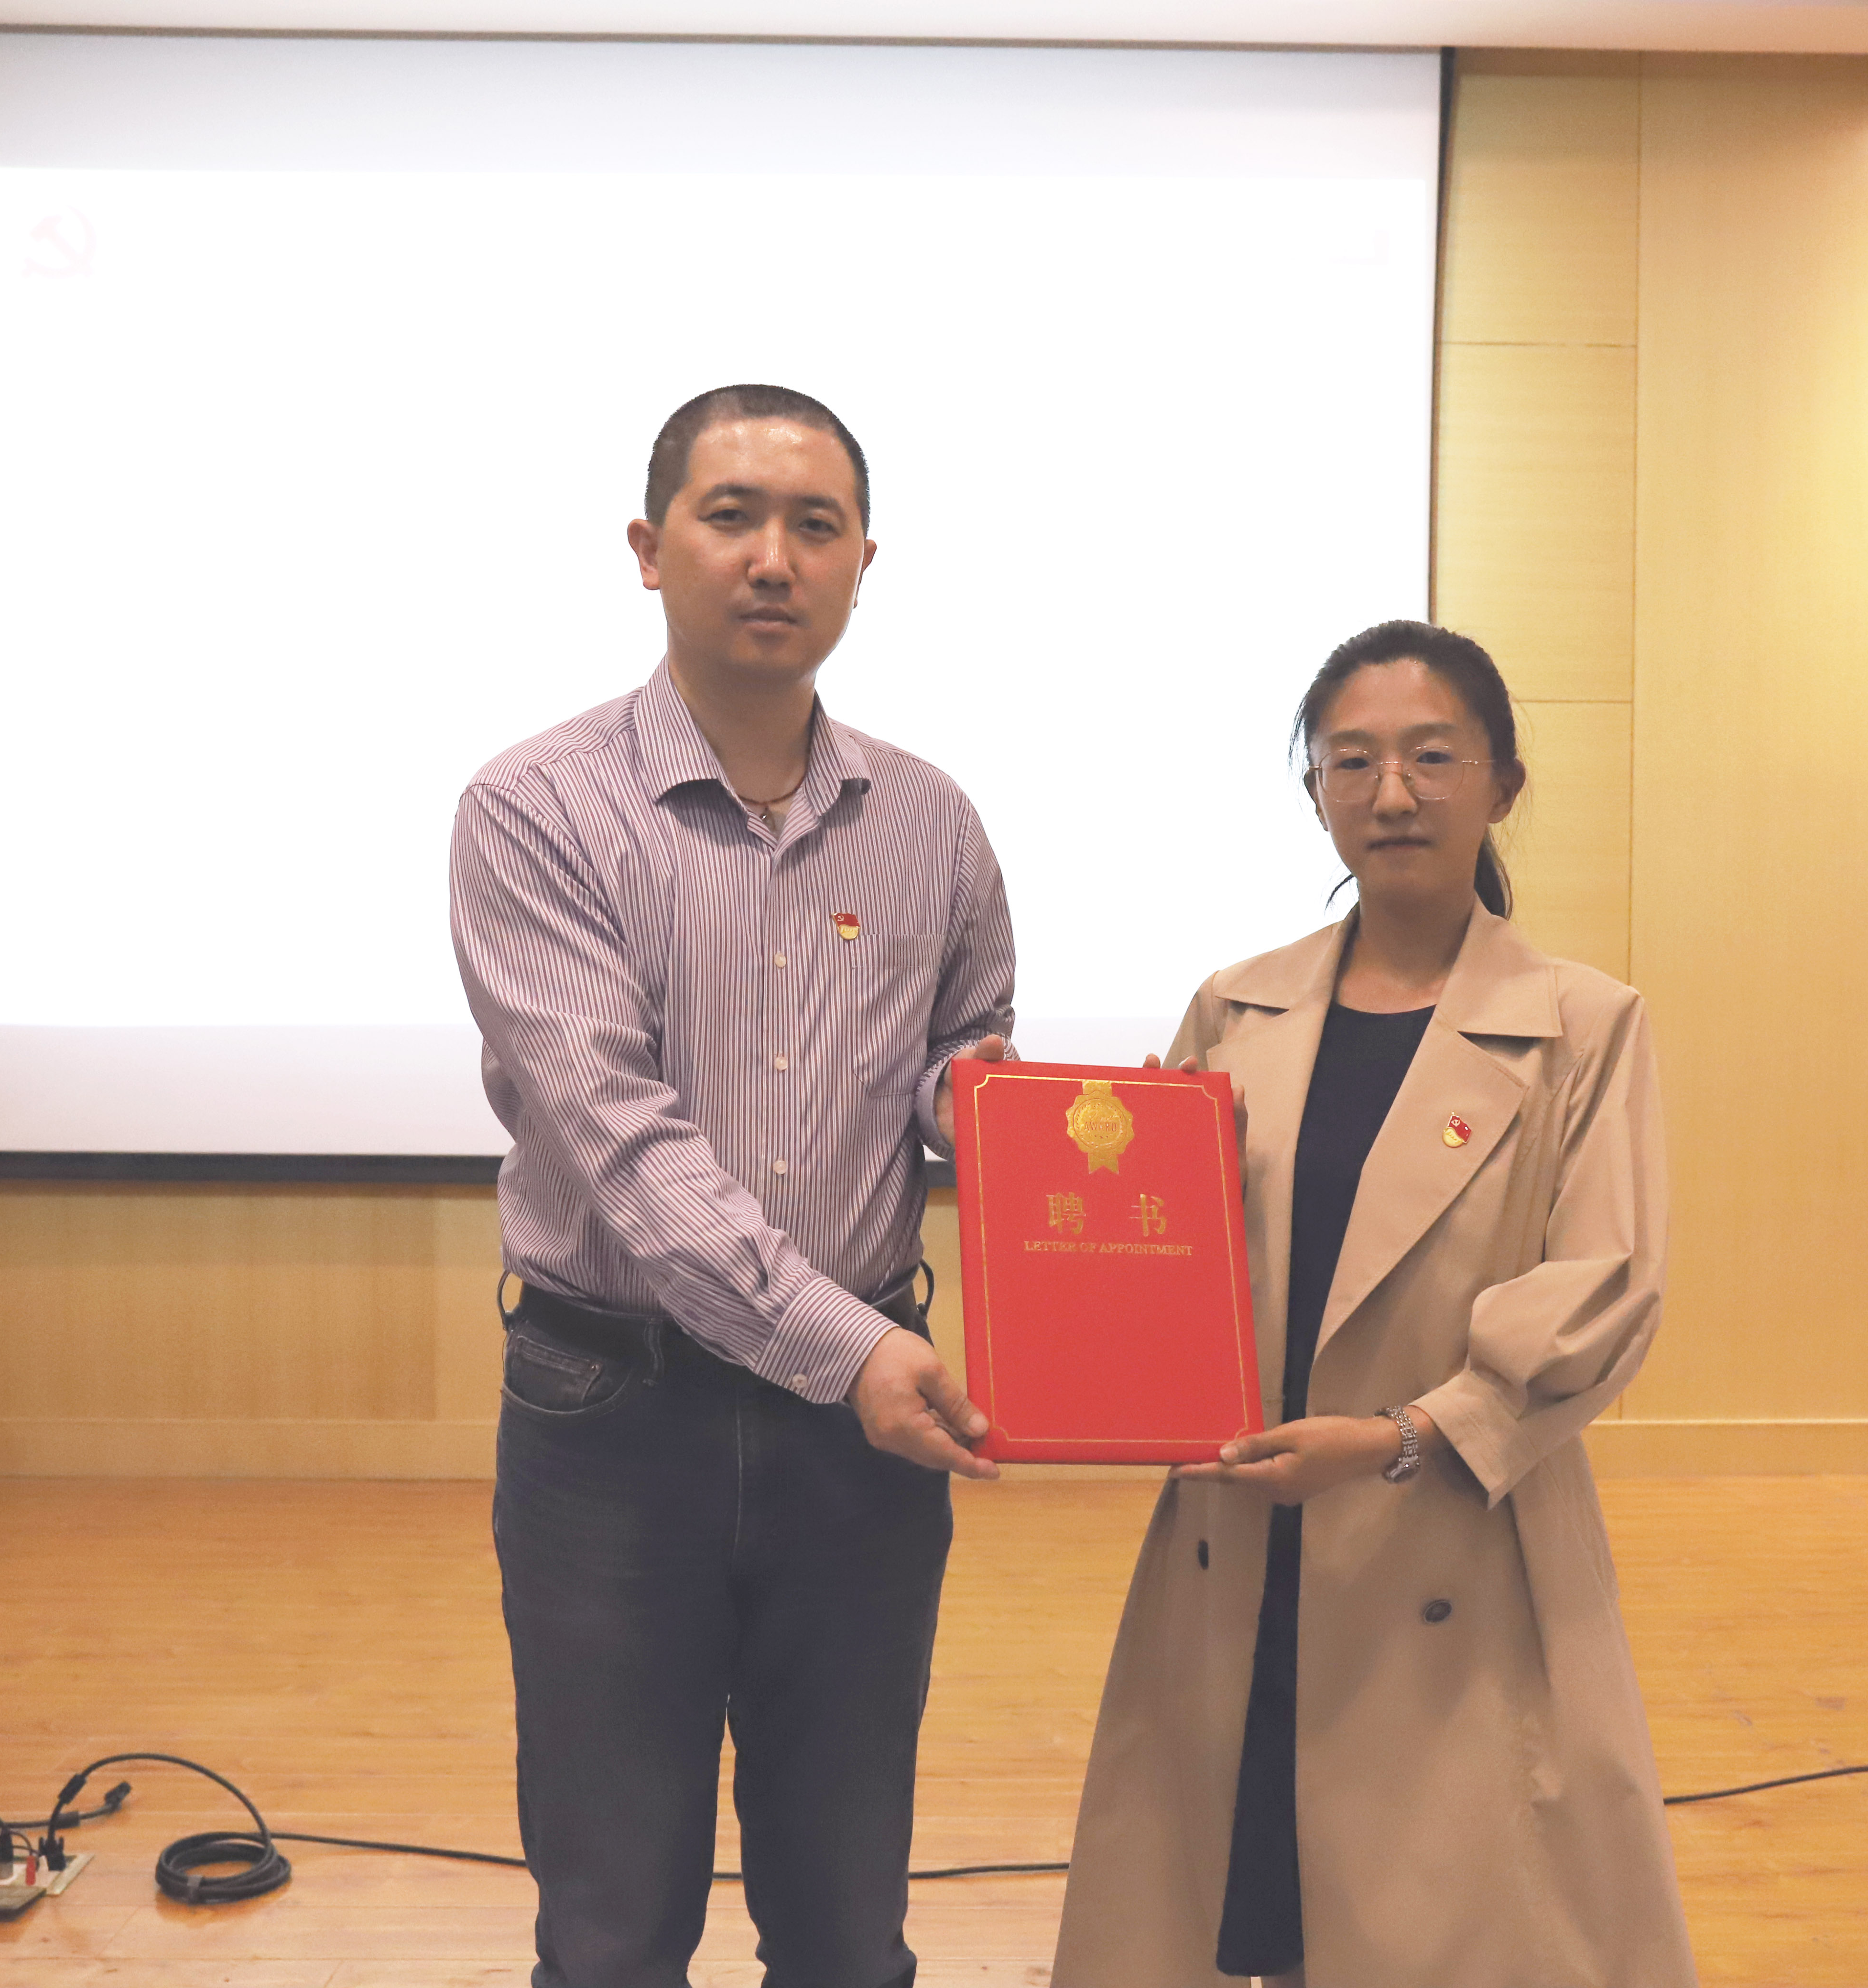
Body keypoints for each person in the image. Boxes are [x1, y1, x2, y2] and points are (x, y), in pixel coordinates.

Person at [449, 382, 1016, 1988]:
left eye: (815, 526)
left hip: (861, 1446)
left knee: (846, 1919)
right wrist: (850, 1348)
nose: (775, 559)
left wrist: (1065, 1146)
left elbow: (959, 1059)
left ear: (863, 564)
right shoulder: (536, 809)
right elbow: (617, 1142)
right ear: (650, 549)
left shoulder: (931, 821)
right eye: (732, 517)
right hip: (616, 1417)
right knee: (615, 1925)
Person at [1051, 620, 1696, 1988]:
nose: (1391, 793)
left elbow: (1607, 1287)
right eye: (1352, 762)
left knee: (1432, 1921)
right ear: (1317, 795)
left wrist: (1398, 1437)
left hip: (1449, 1527)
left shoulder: (1584, 1024)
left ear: (1503, 783)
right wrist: (1029, 1148)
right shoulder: (1234, 1008)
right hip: (1241, 1536)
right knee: (1243, 1893)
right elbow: (1151, 1254)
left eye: (1431, 758)